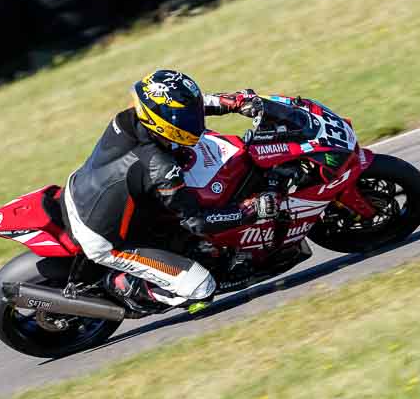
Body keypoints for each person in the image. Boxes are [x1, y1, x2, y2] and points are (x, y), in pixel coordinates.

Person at [62, 69, 278, 313]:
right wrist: (249, 210)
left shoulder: (131, 118)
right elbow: (196, 222)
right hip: (105, 239)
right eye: (183, 119)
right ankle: (121, 284)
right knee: (202, 288)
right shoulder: (160, 168)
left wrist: (232, 102)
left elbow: (186, 109)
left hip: (81, 191)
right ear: (162, 121)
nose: (193, 121)